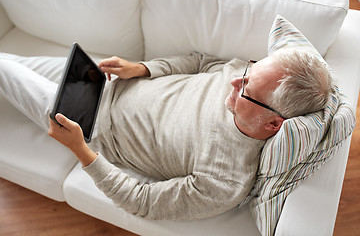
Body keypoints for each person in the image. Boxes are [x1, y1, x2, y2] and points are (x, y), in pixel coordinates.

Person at [0, 48, 332, 220]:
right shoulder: (243, 76)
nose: (234, 81)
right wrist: (142, 68)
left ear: (273, 124)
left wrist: (81, 151)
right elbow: (202, 62)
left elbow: (142, 201)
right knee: (11, 61)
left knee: (4, 70)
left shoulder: (225, 182)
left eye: (247, 89)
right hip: (105, 81)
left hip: (91, 124)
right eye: (248, 71)